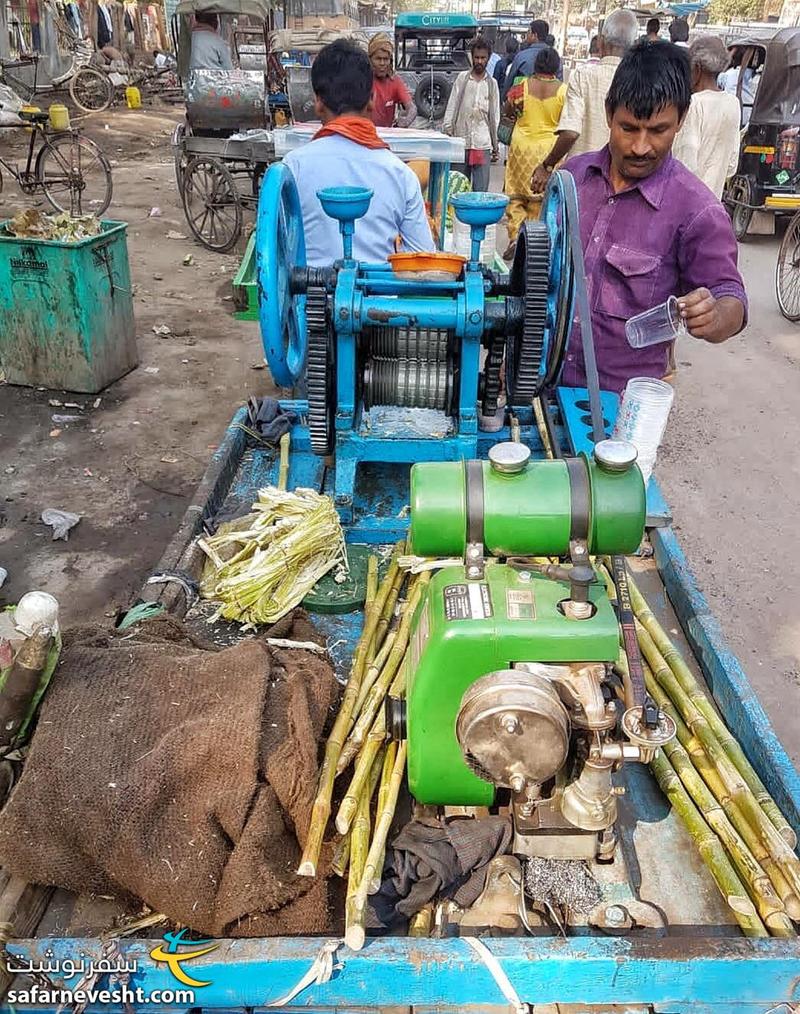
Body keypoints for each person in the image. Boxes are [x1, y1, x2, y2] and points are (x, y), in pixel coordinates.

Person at [560, 40, 747, 395]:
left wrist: (716, 316)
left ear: (681, 119)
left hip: (622, 409)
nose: (641, 147)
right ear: (608, 114)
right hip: (541, 385)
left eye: (658, 130)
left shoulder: (698, 212)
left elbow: (730, 297)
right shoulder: (571, 179)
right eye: (628, 128)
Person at [282, 40, 433, 267]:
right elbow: (422, 261)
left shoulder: (292, 169)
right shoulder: (401, 175)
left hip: (307, 300)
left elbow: (278, 252)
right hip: (379, 301)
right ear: (372, 99)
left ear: (318, 103)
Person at [530, 9, 638, 194]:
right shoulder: (640, 81)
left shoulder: (583, 76)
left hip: (581, 180)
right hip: (623, 184)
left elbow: (571, 132)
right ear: (634, 44)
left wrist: (547, 165)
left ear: (601, 43)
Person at [503, 47, 566, 258]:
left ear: (536, 65)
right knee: (542, 201)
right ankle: (536, 244)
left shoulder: (521, 88)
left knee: (517, 198)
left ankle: (515, 237)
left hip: (521, 148)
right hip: (549, 150)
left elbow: (508, 110)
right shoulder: (563, 91)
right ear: (556, 67)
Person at [672, 36, 741, 198]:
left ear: (697, 68)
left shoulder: (695, 104)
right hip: (712, 201)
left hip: (687, 202)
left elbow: (684, 164)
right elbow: (731, 166)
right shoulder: (733, 103)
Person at [442, 38, 500, 193]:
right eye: (476, 57)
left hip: (482, 144)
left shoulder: (492, 84)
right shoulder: (463, 79)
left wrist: (495, 145)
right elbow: (452, 104)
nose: (479, 61)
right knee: (458, 189)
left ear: (488, 58)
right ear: (471, 57)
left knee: (480, 192)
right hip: (461, 141)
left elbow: (495, 116)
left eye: (483, 58)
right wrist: (448, 129)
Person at [502, 19, 560, 98]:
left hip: (524, 104)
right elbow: (560, 82)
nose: (527, 35)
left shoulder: (522, 56)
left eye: (528, 32)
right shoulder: (555, 57)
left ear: (534, 35)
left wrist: (503, 100)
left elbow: (509, 82)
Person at [368, 32, 415, 129]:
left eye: (385, 59)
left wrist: (405, 121)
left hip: (386, 136)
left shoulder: (395, 82)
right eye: (378, 59)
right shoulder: (362, 81)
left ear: (390, 61)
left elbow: (412, 108)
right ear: (370, 59)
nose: (382, 63)